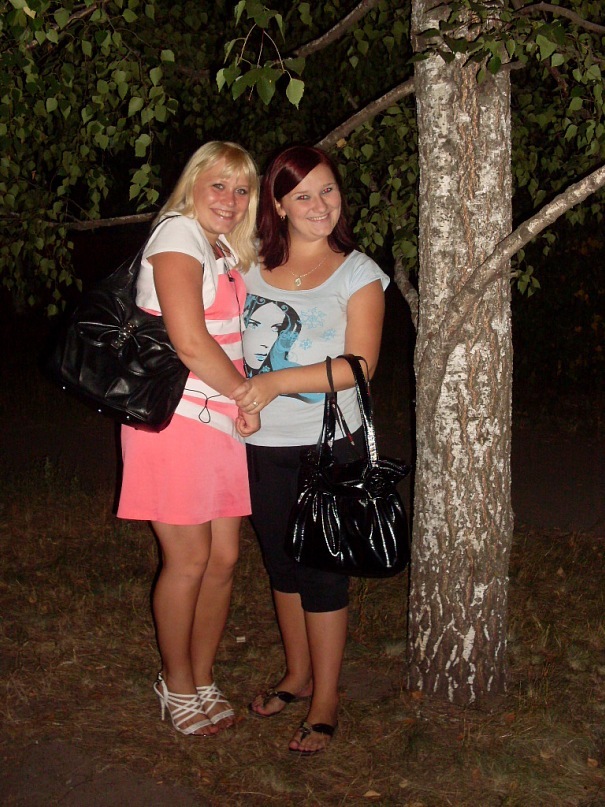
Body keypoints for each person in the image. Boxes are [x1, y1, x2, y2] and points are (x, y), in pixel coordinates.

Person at [232, 145, 389, 754]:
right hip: (260, 444)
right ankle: (297, 674)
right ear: (278, 205)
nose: (320, 205)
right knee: (281, 563)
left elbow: (360, 365)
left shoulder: (358, 273)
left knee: (322, 571)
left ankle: (326, 698)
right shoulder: (248, 265)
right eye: (303, 195)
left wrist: (274, 383)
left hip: (329, 446)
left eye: (328, 190)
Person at [116, 141, 260, 736]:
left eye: (242, 189)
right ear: (193, 183)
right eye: (218, 184)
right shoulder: (177, 235)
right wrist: (246, 395)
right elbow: (190, 341)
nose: (230, 199)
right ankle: (175, 682)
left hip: (220, 419)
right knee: (189, 559)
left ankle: (202, 676)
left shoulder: (221, 246)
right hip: (174, 421)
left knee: (223, 559)